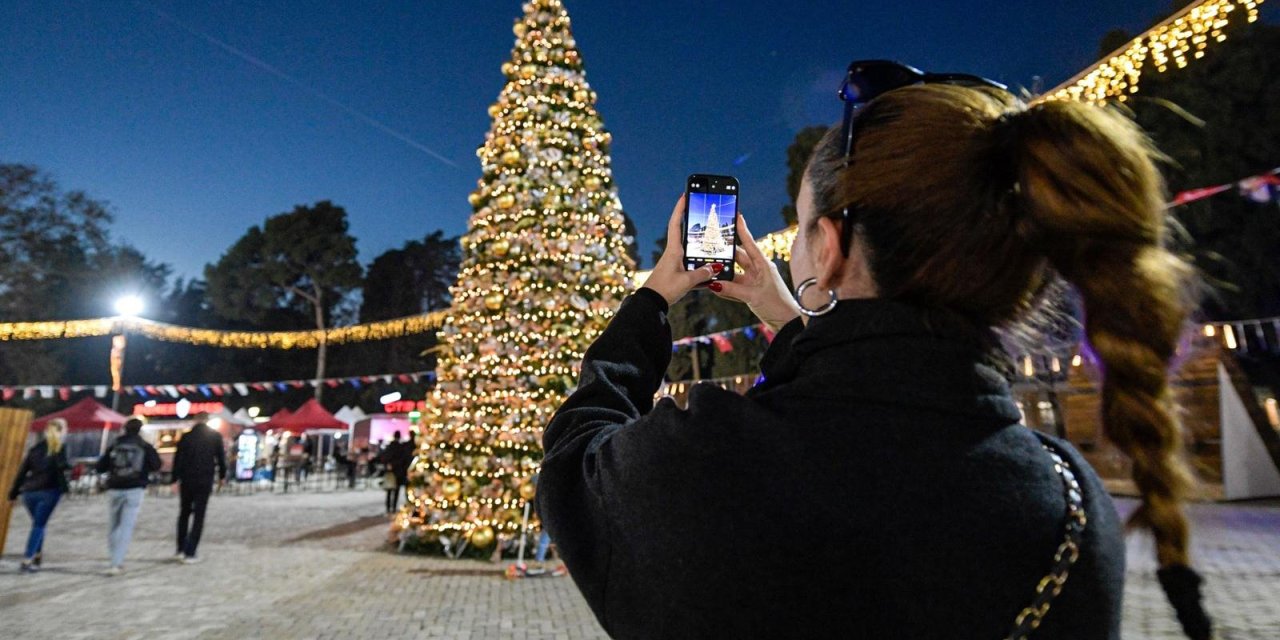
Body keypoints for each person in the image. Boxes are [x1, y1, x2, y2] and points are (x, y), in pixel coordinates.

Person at [539, 60, 1210, 639]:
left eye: (801, 226)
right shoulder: (1070, 503)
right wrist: (787, 310)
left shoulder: (707, 465)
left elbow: (575, 458)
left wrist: (655, 295)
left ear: (827, 249)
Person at [96, 418, 161, 575]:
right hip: (135, 488)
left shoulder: (115, 445)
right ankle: (117, 563)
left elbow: (100, 466)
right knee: (126, 526)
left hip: (115, 487)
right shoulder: (144, 446)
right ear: (140, 430)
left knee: (114, 525)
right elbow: (156, 465)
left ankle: (113, 558)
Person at [8, 418, 69, 573]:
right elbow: (62, 467)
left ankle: (37, 556)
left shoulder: (35, 449)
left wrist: (14, 492)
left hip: (29, 492)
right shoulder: (59, 448)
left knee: (38, 523)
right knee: (39, 525)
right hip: (49, 491)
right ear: (61, 431)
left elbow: (22, 471)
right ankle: (28, 558)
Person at [171, 414, 227, 564]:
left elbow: (178, 459)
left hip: (187, 479)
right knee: (199, 515)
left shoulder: (186, 437)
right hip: (204, 479)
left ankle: (180, 549)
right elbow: (221, 458)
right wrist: (222, 476)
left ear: (195, 420)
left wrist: (174, 479)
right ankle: (191, 551)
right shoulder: (215, 437)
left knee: (184, 513)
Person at [378, 431, 414, 514]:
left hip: (391, 471)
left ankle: (388, 507)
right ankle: (393, 507)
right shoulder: (401, 447)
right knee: (396, 491)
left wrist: (388, 465)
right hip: (399, 472)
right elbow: (403, 459)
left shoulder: (390, 446)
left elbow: (383, 457)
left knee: (389, 490)